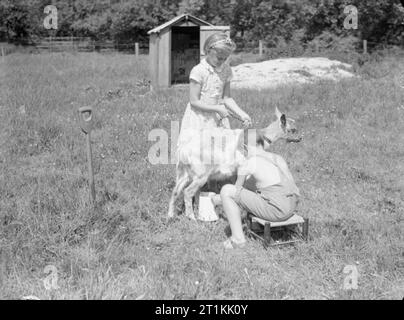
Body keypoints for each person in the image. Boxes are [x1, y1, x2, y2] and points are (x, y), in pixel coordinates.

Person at [213, 134, 301, 249]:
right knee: (256, 190)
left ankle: (238, 239)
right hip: (291, 205)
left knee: (226, 190)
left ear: (245, 147)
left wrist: (217, 199)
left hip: (278, 211)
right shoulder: (277, 157)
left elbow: (236, 191)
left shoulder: (250, 162)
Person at [177, 32, 252, 151]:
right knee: (200, 153)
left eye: (225, 58)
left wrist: (242, 114)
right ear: (208, 50)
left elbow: (227, 98)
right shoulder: (199, 71)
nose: (221, 61)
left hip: (218, 119)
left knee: (219, 153)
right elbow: (194, 101)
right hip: (199, 119)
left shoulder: (226, 70)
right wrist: (217, 108)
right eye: (219, 57)